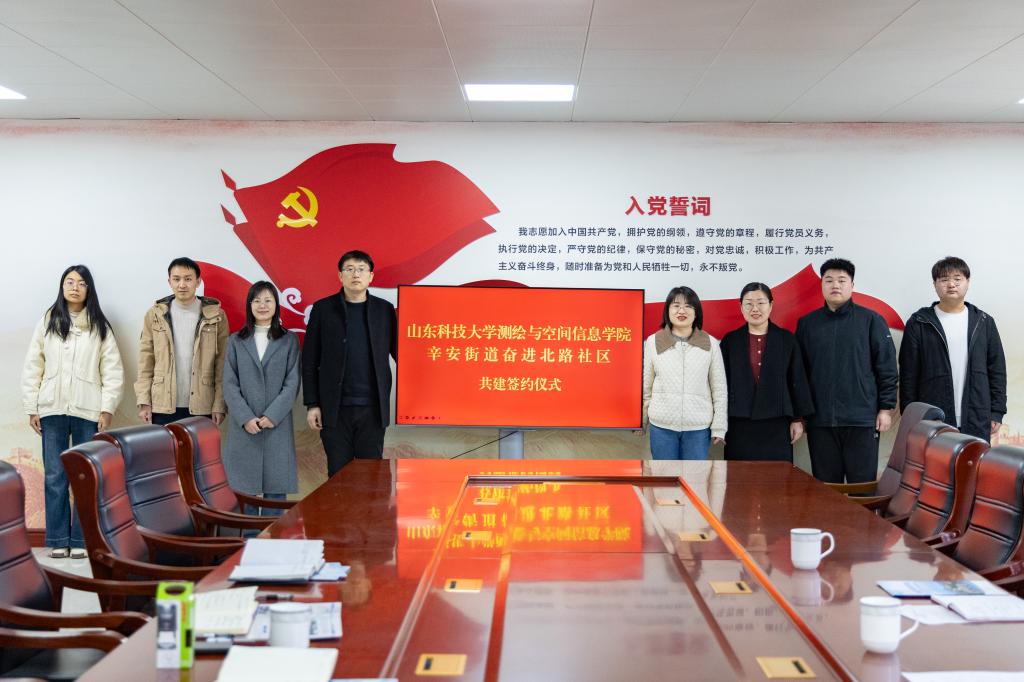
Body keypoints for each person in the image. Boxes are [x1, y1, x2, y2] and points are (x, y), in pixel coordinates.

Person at [21, 265, 123, 558]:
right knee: (55, 476)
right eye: (69, 282)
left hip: (87, 411)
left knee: (84, 476)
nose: (75, 287)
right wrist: (32, 407)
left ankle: (80, 540)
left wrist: (107, 409)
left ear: (89, 289)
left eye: (81, 283)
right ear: (62, 287)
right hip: (51, 409)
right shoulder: (48, 321)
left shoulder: (100, 326)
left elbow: (113, 370)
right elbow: (33, 366)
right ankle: (57, 539)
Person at [796, 259, 898, 483]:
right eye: (829, 280)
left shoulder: (871, 320)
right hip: (820, 420)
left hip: (862, 419)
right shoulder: (807, 324)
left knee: (862, 485)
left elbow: (887, 367)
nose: (835, 285)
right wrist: (800, 415)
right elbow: (799, 373)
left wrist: (885, 408)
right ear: (821, 285)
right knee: (826, 487)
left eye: (842, 280)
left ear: (852, 285)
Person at [302, 250, 397, 476]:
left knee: (371, 475)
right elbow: (309, 359)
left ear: (371, 276)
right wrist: (312, 404)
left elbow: (400, 352)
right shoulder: (323, 309)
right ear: (340, 275)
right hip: (334, 410)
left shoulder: (384, 310)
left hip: (373, 410)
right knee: (338, 475)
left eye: (361, 269)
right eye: (350, 269)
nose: (356, 274)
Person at [899, 256, 1006, 441]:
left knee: (973, 460)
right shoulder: (919, 322)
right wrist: (910, 414)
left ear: (967, 282)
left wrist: (997, 411)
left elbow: (997, 370)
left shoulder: (984, 322)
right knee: (934, 460)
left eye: (957, 279)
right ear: (935, 284)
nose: (951, 284)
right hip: (932, 416)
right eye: (944, 279)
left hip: (977, 414)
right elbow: (908, 374)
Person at [222, 282, 301, 513]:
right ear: (249, 305)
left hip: (277, 425)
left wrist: (272, 415)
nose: (262, 305)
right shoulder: (236, 340)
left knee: (275, 495)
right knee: (243, 493)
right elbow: (229, 383)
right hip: (244, 427)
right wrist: (245, 417)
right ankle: (246, 536)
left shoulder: (289, 340)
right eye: (256, 300)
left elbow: (292, 383)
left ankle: (272, 535)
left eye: (268, 300)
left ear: (276, 304)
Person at [720, 283, 814, 462]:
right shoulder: (730, 341)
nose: (755, 309)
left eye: (761, 303)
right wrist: (719, 423)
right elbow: (721, 384)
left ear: (771, 305)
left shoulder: (786, 339)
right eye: (749, 303)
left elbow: (797, 380)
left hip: (777, 421)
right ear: (741, 307)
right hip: (739, 422)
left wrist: (798, 419)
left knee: (777, 476)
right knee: (739, 476)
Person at [135, 257, 228, 426]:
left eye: (188, 279)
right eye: (176, 279)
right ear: (169, 282)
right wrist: (144, 401)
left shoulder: (216, 316)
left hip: (203, 404)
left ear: (198, 282)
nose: (182, 285)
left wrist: (219, 404)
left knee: (200, 446)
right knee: (163, 445)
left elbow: (222, 363)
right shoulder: (155, 315)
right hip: (162, 404)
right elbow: (145, 361)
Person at [641, 286, 727, 460]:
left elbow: (719, 388)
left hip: (698, 428)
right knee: (664, 475)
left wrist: (719, 427)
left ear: (696, 313)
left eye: (688, 306)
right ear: (668, 311)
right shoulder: (653, 341)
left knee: (694, 476)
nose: (682, 311)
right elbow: (646, 386)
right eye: (676, 305)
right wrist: (641, 421)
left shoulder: (710, 343)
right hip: (661, 426)